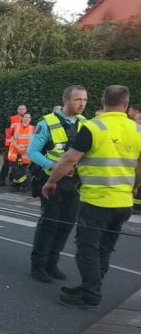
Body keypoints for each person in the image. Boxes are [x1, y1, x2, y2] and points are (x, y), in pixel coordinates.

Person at [42, 85, 141, 309]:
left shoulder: (93, 127)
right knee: (105, 248)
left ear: (103, 102)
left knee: (87, 248)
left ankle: (90, 293)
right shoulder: (137, 130)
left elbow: (69, 159)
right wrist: (134, 187)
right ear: (126, 104)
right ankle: (91, 286)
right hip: (123, 203)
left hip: (97, 201)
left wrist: (51, 181)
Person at [27, 85, 87, 283]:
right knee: (49, 224)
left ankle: (52, 263)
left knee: (66, 225)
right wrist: (55, 167)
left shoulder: (86, 123)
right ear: (66, 101)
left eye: (84, 100)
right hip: (50, 181)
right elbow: (32, 152)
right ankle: (38, 266)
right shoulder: (47, 122)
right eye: (78, 100)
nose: (82, 104)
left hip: (73, 183)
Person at [0, 104, 28, 187]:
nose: (22, 110)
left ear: (26, 110)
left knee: (19, 164)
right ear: (17, 110)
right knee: (7, 163)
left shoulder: (28, 119)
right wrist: (11, 141)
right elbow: (7, 131)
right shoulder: (12, 119)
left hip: (22, 147)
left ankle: (13, 180)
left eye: (23, 109)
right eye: (20, 109)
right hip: (11, 145)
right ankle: (2, 180)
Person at [7, 113, 34, 192]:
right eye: (25, 117)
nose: (26, 119)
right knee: (15, 170)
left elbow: (33, 141)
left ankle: (16, 186)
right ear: (22, 118)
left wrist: (25, 148)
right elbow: (11, 138)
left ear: (30, 119)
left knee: (21, 171)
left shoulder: (32, 128)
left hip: (25, 154)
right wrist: (18, 147)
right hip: (15, 153)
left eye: (28, 117)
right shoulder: (16, 126)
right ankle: (26, 183)